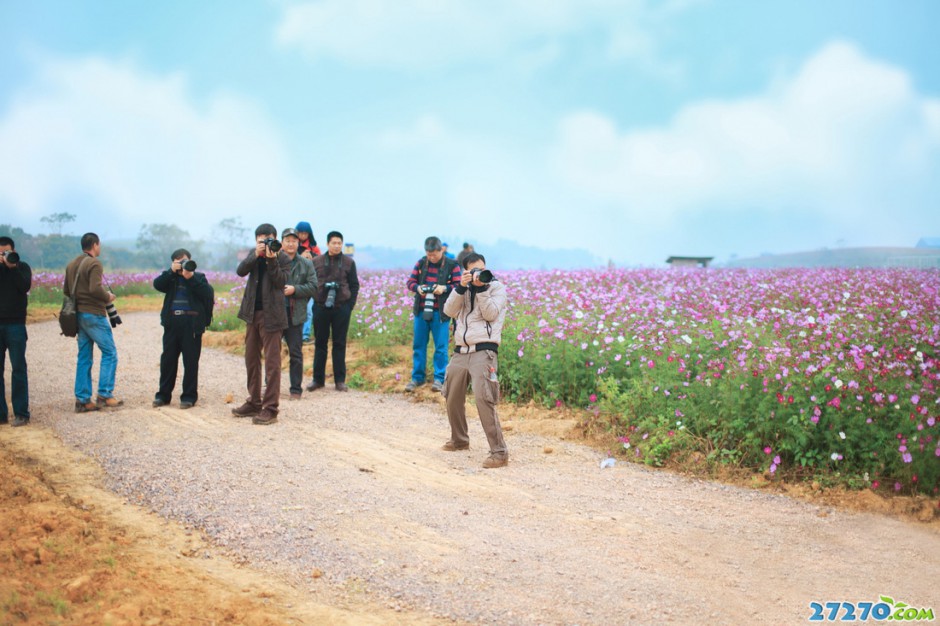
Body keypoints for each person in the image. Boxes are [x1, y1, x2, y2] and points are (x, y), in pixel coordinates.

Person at [441, 252, 509, 468]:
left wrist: (481, 289)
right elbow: (448, 310)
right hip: (461, 350)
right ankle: (459, 440)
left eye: (481, 268)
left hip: (484, 350)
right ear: (466, 272)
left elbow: (491, 314)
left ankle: (499, 453)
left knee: (484, 398)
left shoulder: (497, 288)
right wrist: (461, 287)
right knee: (451, 395)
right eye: (473, 271)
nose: (479, 273)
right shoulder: (463, 287)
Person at [232, 224, 291, 425]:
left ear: (276, 239)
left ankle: (271, 408)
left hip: (272, 316)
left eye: (269, 239)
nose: (265, 244)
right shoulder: (253, 255)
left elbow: (280, 281)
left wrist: (271, 259)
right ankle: (254, 402)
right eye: (261, 240)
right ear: (256, 240)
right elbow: (240, 271)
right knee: (251, 359)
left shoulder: (282, 257)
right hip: (252, 314)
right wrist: (255, 256)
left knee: (272, 363)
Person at [64, 233, 122, 412]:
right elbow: (94, 288)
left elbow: (67, 290)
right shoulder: (95, 263)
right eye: (99, 244)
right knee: (110, 352)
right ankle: (104, 394)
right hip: (94, 314)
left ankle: (82, 400)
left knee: (84, 357)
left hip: (78, 315)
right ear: (95, 245)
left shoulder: (72, 264)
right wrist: (108, 296)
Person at [152, 249, 214, 409]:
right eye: (179, 261)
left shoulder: (198, 277)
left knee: (191, 362)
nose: (183, 264)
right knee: (168, 361)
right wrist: (171, 272)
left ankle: (188, 397)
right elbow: (157, 285)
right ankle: (163, 396)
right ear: (173, 262)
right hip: (172, 324)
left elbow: (208, 294)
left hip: (191, 325)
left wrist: (190, 278)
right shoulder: (170, 278)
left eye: (186, 261)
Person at [405, 236, 461, 393]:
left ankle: (439, 378)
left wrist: (443, 288)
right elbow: (410, 282)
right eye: (428, 254)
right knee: (418, 346)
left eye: (434, 254)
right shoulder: (422, 263)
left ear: (441, 250)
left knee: (441, 347)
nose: (431, 257)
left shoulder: (452, 265)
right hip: (421, 311)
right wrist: (418, 288)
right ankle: (417, 377)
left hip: (441, 312)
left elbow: (458, 285)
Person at [306, 231, 359, 392]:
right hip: (321, 306)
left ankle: (340, 381)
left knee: (339, 344)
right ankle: (318, 379)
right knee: (320, 343)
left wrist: (349, 306)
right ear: (328, 244)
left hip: (341, 308)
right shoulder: (316, 261)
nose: (336, 246)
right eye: (333, 243)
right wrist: (315, 299)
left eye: (339, 243)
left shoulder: (349, 262)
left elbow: (354, 285)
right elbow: (310, 282)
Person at [280, 228, 318, 399]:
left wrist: (295, 289)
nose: (290, 243)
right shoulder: (274, 261)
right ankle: (270, 385)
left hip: (296, 314)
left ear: (298, 243)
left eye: (294, 241)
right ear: (281, 242)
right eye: (287, 240)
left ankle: (296, 389)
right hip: (276, 313)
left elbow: (313, 286)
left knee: (296, 352)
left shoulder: (306, 263)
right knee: (273, 352)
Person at [0, 236, 32, 427]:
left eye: (7, 252)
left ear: (13, 251)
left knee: (18, 368)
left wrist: (12, 267)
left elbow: (24, 286)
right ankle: (1, 414)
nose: (4, 256)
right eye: (0, 252)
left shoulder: (23, 267)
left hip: (16, 325)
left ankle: (21, 413)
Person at [296, 220, 320, 344]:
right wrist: (301, 256)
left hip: (310, 283)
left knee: (309, 310)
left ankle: (305, 335)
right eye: (300, 233)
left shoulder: (314, 248)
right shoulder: (291, 245)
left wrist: (312, 256)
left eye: (305, 233)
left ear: (309, 234)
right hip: (295, 282)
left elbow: (320, 261)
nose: (303, 236)